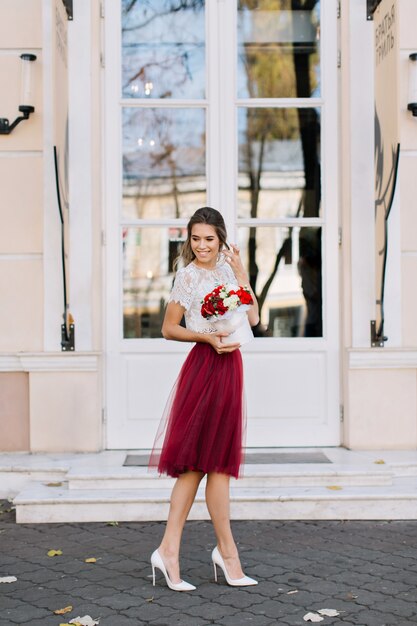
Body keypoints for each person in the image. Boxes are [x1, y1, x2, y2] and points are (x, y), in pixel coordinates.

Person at [148, 207, 259, 592]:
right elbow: (168, 328)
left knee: (221, 466)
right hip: (205, 367)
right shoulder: (188, 275)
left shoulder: (229, 272)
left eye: (209, 239)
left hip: (231, 368)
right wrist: (207, 337)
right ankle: (171, 551)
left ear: (221, 240)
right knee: (195, 464)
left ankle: (226, 555)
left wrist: (243, 276)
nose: (201, 246)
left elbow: (255, 318)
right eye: (195, 238)